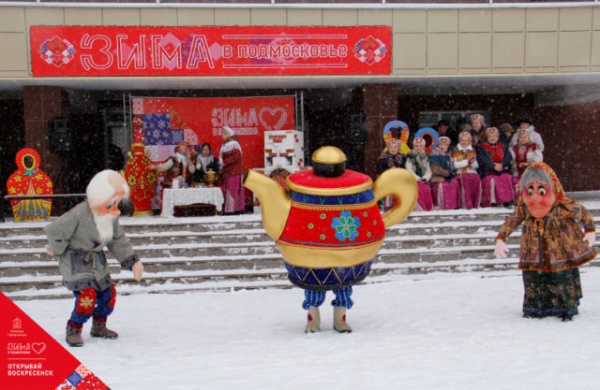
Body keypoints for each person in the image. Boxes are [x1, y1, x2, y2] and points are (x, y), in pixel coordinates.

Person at [45, 170, 144, 347]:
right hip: (75, 260)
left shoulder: (110, 216)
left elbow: (117, 239)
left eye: (118, 202)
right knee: (87, 296)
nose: (116, 207)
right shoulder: (79, 213)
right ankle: (74, 328)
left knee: (109, 293)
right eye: (113, 202)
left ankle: (99, 325)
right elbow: (56, 230)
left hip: (96, 261)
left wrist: (133, 261)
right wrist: (56, 249)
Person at [494, 162, 597, 321]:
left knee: (561, 276)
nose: (535, 195)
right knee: (534, 278)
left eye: (541, 188)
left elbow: (582, 213)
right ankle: (536, 309)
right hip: (533, 249)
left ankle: (565, 308)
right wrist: (501, 237)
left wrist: (589, 229)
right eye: (530, 188)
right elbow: (513, 220)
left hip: (558, 249)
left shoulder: (561, 203)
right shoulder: (525, 205)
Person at [477, 127, 515, 207]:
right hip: (488, 171)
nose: (492, 138)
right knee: (491, 180)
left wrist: (502, 164)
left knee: (506, 177)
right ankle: (493, 201)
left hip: (502, 169)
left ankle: (507, 200)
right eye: (490, 136)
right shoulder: (482, 148)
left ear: (497, 137)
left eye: (494, 136)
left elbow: (508, 157)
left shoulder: (503, 146)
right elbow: (482, 159)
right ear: (487, 137)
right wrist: (493, 165)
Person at [219, 126, 246, 214]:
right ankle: (232, 208)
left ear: (228, 134)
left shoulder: (233, 143)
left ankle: (233, 209)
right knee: (231, 190)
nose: (222, 135)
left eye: (223, 133)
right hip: (229, 172)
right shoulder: (226, 144)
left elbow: (236, 156)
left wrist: (225, 162)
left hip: (235, 172)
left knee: (233, 190)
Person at [429, 136, 461, 210]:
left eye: (445, 145)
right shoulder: (435, 155)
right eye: (441, 145)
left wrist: (453, 172)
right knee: (444, 185)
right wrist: (446, 173)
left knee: (454, 182)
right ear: (438, 145)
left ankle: (453, 205)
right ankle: (443, 205)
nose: (443, 147)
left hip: (448, 176)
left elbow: (452, 166)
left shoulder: (449, 155)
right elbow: (435, 168)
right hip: (437, 177)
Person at [510, 128, 543, 198]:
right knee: (517, 183)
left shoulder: (534, 146)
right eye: (521, 137)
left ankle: (531, 198)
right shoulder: (514, 148)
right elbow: (511, 159)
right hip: (518, 171)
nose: (523, 139)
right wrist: (514, 164)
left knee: (531, 183)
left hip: (532, 170)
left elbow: (539, 157)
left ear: (528, 137)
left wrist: (530, 164)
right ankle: (520, 199)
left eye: (525, 137)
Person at [452, 131, 481, 209]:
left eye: (466, 140)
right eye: (462, 140)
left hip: (471, 171)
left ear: (469, 141)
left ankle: (473, 202)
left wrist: (472, 162)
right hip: (460, 172)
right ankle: (467, 203)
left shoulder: (472, 151)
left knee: (476, 178)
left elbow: (476, 166)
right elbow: (455, 165)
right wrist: (467, 162)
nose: (464, 142)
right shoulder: (455, 151)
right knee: (466, 179)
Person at [405, 137, 433, 211]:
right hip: (413, 179)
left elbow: (429, 169)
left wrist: (425, 178)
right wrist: (417, 178)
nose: (418, 148)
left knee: (425, 188)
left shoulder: (427, 156)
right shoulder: (410, 156)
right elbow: (409, 169)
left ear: (424, 147)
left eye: (420, 146)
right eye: (416, 146)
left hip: (424, 179)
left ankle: (426, 207)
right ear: (414, 146)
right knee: (418, 189)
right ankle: (419, 207)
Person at [376, 138, 405, 211]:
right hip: (387, 179)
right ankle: (388, 206)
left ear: (398, 148)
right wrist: (389, 171)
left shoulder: (402, 157)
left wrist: (398, 170)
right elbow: (379, 170)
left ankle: (400, 206)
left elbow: (405, 169)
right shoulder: (383, 158)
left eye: (395, 147)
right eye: (391, 147)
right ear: (388, 148)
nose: (393, 149)